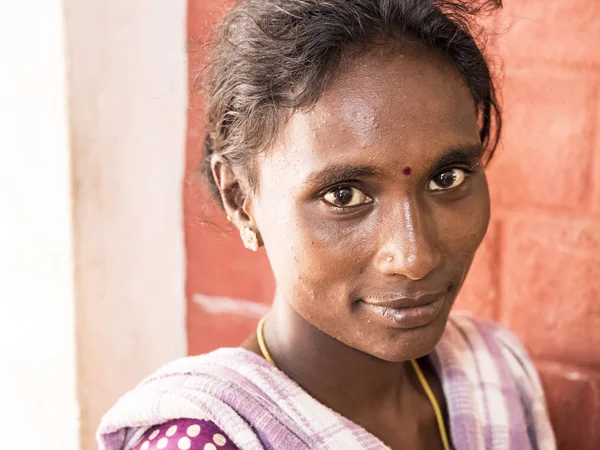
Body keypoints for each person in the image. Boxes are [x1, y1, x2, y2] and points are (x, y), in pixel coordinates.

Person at [98, 0, 556, 449]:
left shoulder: (496, 373)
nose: (414, 258)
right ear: (240, 198)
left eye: (446, 178)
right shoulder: (208, 441)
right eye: (344, 195)